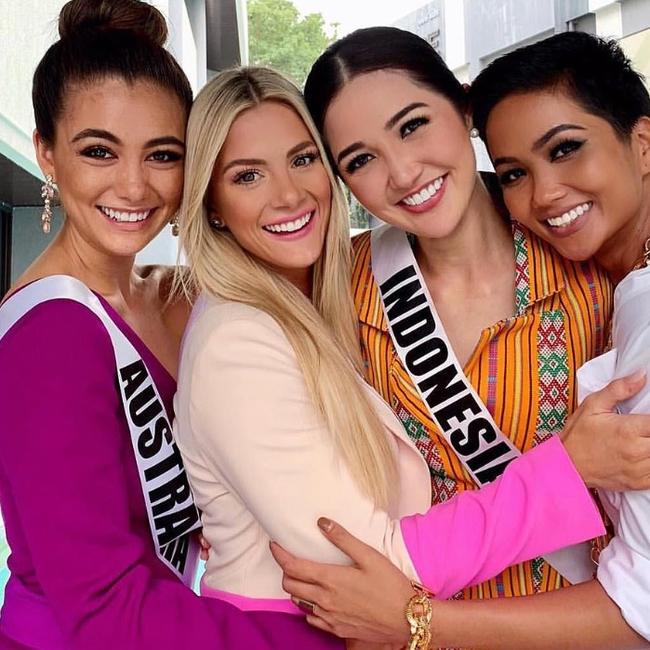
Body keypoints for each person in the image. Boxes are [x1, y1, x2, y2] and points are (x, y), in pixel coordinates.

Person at [172, 63, 645, 640]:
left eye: (302, 160)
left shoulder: (583, 257)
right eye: (360, 158)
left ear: (464, 112)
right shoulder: (344, 293)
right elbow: (354, 559)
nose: (401, 170)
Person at [0, 2, 339, 648]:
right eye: (98, 151)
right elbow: (103, 605)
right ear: (45, 153)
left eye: (162, 155)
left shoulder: (174, 299)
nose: (133, 186)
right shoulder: (49, 338)